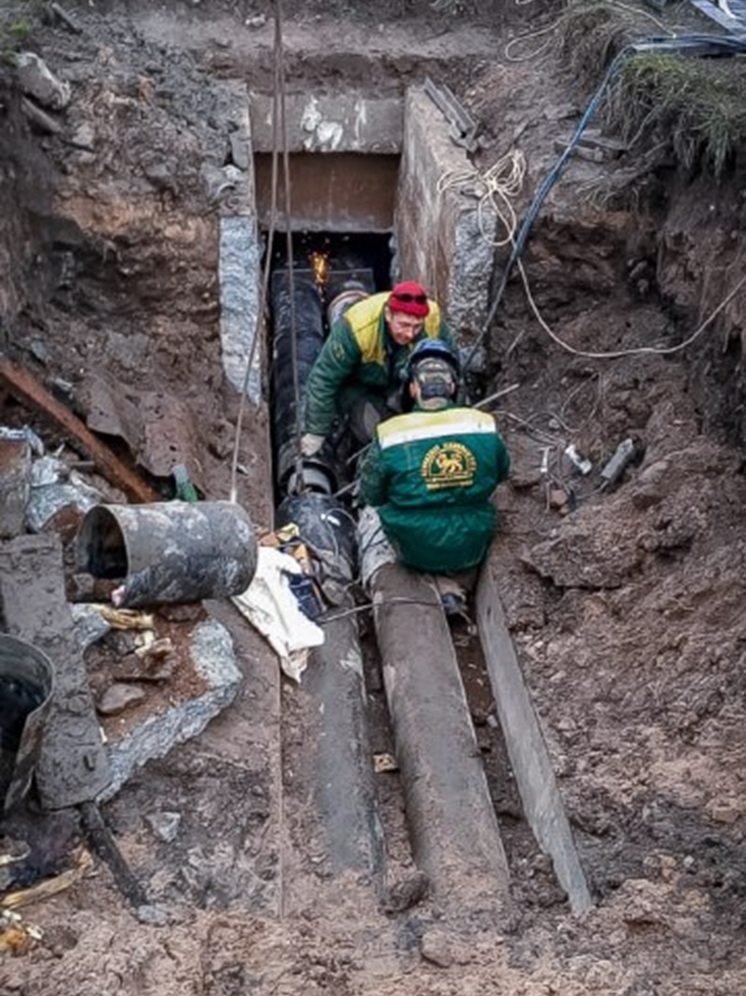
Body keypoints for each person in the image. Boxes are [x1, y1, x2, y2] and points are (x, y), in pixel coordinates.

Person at [357, 339, 510, 575]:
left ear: (412, 388)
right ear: (451, 386)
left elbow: (372, 494)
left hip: (415, 550)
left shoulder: (391, 434)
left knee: (369, 513)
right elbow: (501, 474)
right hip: (472, 545)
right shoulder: (483, 425)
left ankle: (386, 578)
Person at [300, 281, 454, 456]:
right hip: (362, 386)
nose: (410, 334)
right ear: (388, 315)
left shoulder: (433, 320)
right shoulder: (356, 327)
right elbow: (324, 379)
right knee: (374, 437)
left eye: (416, 327)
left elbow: (453, 370)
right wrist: (316, 432)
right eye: (403, 325)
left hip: (404, 386)